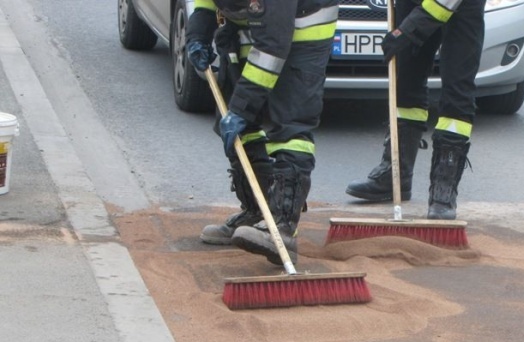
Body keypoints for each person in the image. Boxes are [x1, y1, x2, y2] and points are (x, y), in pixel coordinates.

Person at [186, 0, 338, 265]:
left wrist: (241, 109)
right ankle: (258, 212)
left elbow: (274, 45)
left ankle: (282, 228)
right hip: (251, 25)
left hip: (301, 29)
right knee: (238, 121)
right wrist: (197, 34)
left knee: (289, 127)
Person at [345, 0, 485, 220]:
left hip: (462, 6)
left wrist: (408, 29)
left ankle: (443, 189)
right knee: (406, 83)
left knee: (458, 91)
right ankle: (396, 175)